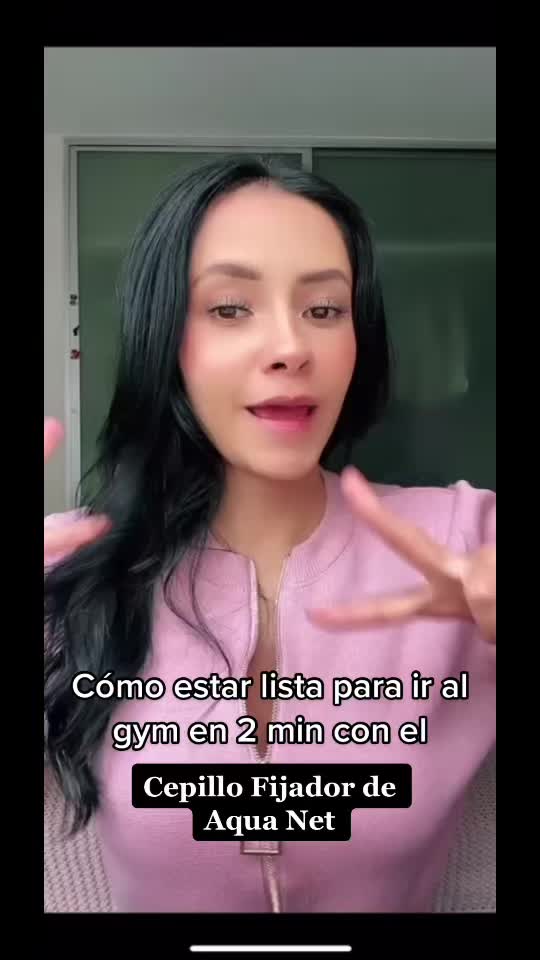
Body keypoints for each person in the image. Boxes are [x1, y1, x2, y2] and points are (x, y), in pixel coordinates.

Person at [44, 156, 495, 914]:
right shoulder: (67, 569)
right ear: (164, 337)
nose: (291, 347)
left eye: (325, 309)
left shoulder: (469, 541)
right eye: (230, 308)